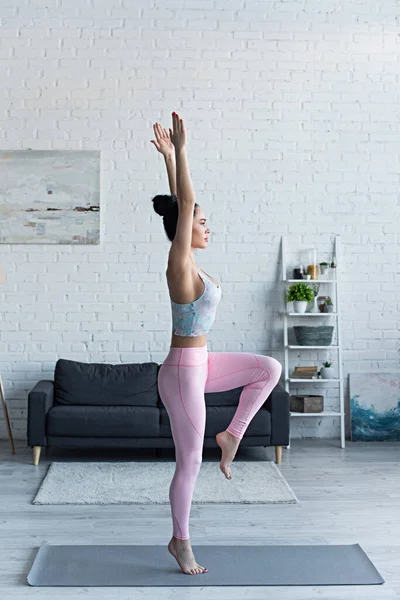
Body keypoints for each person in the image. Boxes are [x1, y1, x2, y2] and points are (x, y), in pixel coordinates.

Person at [151, 112, 282, 576]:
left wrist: (169, 159)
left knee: (268, 368)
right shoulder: (179, 266)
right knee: (188, 461)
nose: (208, 227)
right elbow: (184, 205)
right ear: (186, 230)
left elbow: (178, 205)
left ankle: (232, 435)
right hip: (183, 371)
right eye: (203, 221)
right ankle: (180, 541)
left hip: (201, 362)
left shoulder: (195, 265)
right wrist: (182, 152)